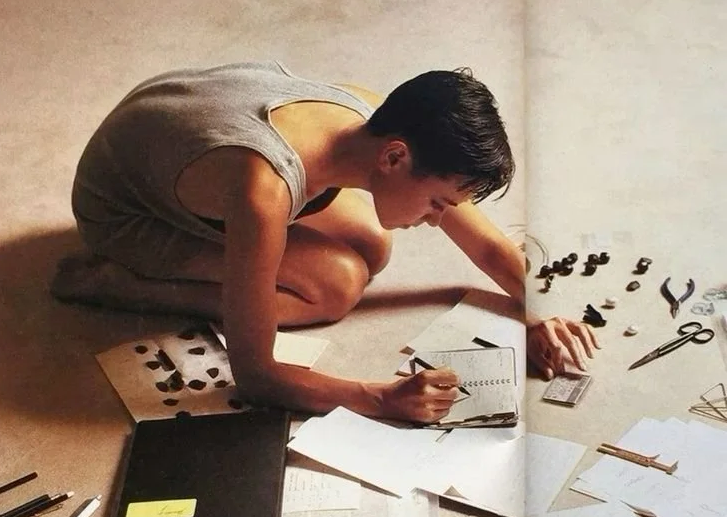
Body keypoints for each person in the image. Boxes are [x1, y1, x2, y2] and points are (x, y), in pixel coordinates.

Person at [52, 60, 599, 423]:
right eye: (438, 203)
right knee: (332, 287)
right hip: (125, 214)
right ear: (394, 157)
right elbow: (257, 375)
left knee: (373, 245)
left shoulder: (369, 117)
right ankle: (116, 283)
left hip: (167, 142)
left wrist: (538, 310)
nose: (440, 219)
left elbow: (485, 246)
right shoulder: (261, 191)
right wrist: (381, 397)